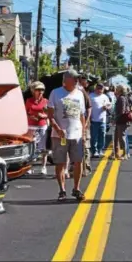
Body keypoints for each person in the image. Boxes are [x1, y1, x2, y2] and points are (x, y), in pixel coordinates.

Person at [48, 69, 86, 201]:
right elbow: (50, 115)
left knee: (78, 161)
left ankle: (76, 188)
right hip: (60, 136)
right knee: (60, 163)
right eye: (74, 78)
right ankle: (62, 190)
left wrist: (84, 132)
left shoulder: (80, 94)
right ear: (66, 80)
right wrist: (57, 129)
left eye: (77, 79)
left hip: (76, 134)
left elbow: (82, 115)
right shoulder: (56, 93)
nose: (76, 81)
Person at [69, 74, 92, 177]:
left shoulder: (81, 92)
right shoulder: (67, 91)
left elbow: (89, 107)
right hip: (72, 125)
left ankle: (85, 168)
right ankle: (73, 169)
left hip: (83, 124)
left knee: (85, 147)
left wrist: (86, 122)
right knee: (72, 147)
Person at [25, 81, 48, 175]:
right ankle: (30, 166)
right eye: (38, 90)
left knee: (42, 147)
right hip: (31, 125)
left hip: (42, 125)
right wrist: (31, 116)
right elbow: (26, 112)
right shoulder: (29, 101)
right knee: (31, 147)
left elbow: (49, 113)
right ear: (33, 91)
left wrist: (43, 115)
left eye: (42, 90)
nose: (40, 92)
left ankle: (43, 166)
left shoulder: (46, 101)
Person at [90, 83, 112, 158]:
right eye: (99, 88)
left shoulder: (105, 97)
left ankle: (100, 150)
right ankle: (94, 151)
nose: (100, 90)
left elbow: (110, 104)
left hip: (103, 120)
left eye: (102, 89)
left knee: (102, 136)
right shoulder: (91, 96)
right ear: (96, 88)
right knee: (94, 136)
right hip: (94, 120)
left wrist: (107, 107)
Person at [112, 85, 130, 160]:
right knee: (117, 137)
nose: (115, 90)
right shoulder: (121, 97)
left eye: (117, 89)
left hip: (122, 121)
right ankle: (116, 153)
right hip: (120, 121)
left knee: (122, 137)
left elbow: (122, 111)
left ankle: (125, 154)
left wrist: (115, 119)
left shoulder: (122, 98)